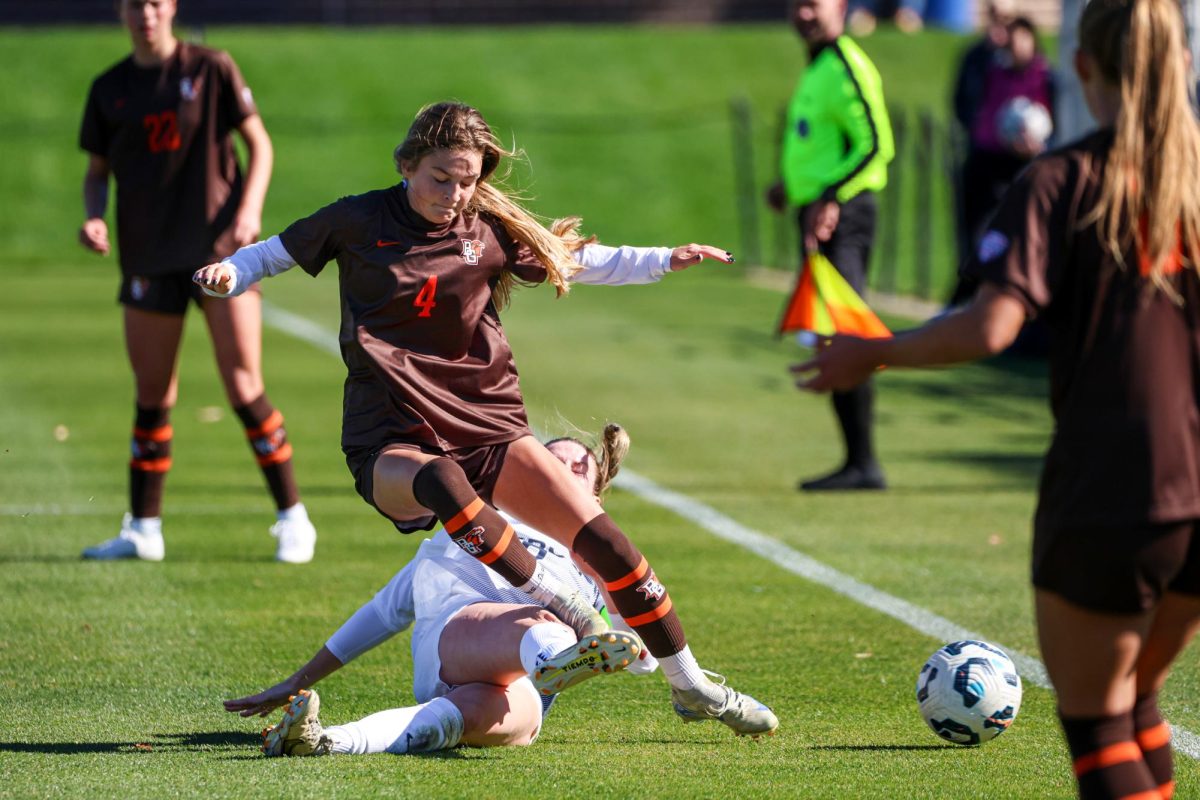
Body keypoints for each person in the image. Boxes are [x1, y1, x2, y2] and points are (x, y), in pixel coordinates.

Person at [195, 101, 778, 737]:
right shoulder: (358, 219)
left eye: (467, 181)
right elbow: (273, 252)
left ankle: (692, 687)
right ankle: (564, 605)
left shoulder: (488, 227)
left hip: (491, 428)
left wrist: (664, 258)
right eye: (440, 178)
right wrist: (232, 272)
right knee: (442, 481)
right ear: (406, 165)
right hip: (389, 439)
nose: (453, 194)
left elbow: (572, 259)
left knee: (609, 545)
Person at [795, 1, 1200, 795]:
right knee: (1138, 699)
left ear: (1081, 67)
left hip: (1114, 485)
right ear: (1182, 62)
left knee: (1099, 724)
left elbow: (989, 328)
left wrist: (870, 352)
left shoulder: (1060, 179)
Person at [225, 427, 670, 756]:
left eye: (579, 469)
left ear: (595, 496)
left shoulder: (595, 559)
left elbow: (643, 662)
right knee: (541, 623)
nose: (565, 471)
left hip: (522, 689)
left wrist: (611, 592)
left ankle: (325, 741)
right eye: (554, 462)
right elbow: (383, 613)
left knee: (497, 718)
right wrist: (296, 680)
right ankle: (553, 659)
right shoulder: (481, 525)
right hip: (456, 636)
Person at [76, 0, 316, 563]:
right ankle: (143, 530)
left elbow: (260, 144)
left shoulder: (210, 68)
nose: (146, 14)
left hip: (218, 256)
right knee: (153, 396)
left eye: (155, 4)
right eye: (135, 5)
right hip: (146, 256)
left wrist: (250, 210)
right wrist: (93, 216)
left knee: (243, 385)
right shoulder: (108, 88)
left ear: (172, 8)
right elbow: (96, 174)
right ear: (122, 12)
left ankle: (293, 519)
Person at [766, 0, 895, 491]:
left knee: (845, 329)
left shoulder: (845, 63)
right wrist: (790, 186)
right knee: (831, 332)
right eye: (796, 6)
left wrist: (829, 197)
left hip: (844, 215)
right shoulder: (819, 65)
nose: (802, 14)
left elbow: (877, 145)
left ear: (840, 8)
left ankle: (864, 463)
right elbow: (820, 142)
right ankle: (857, 461)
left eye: (813, 5)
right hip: (819, 213)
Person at [948, 15, 1056, 308]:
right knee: (976, 235)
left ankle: (1000, 297)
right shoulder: (991, 70)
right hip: (984, 162)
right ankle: (969, 294)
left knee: (1011, 235)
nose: (1017, 45)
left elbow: (1054, 126)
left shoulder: (1046, 77)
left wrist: (1036, 148)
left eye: (1023, 38)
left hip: (1018, 169)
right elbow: (966, 103)